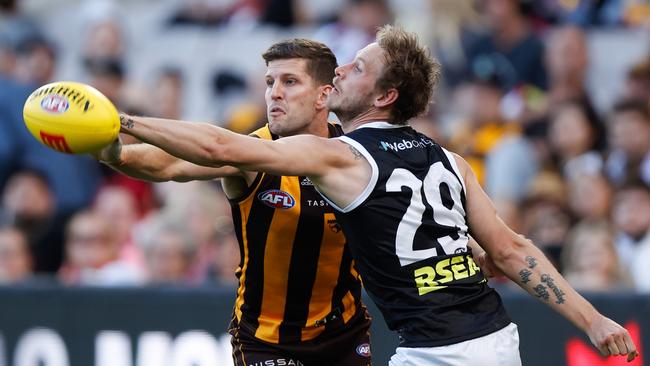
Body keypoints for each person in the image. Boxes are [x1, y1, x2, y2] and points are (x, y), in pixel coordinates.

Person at [99, 26, 638, 365]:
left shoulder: (341, 156)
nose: (340, 71)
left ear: (383, 95)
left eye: (356, 68)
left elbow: (218, 145)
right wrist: (594, 320)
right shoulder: (449, 160)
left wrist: (119, 119)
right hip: (494, 339)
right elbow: (509, 251)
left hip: (430, 349)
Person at [97, 39, 372, 366]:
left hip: (344, 336)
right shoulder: (250, 152)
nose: (275, 94)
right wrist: (119, 153)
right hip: (267, 341)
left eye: (290, 82)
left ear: (324, 95)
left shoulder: (354, 153)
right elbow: (169, 164)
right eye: (270, 82)